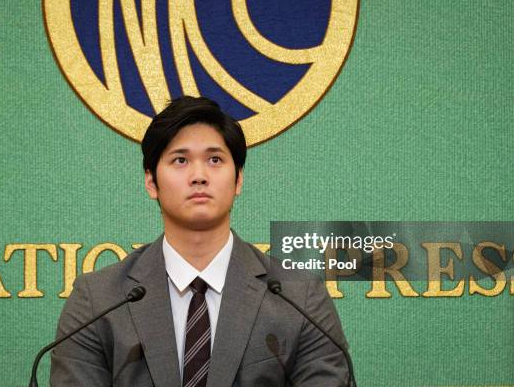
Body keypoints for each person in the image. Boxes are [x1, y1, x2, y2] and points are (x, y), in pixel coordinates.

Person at [50, 96, 351, 386]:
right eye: (180, 160)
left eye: (215, 159)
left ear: (239, 180)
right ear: (151, 182)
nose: (199, 175)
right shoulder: (98, 301)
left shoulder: (299, 299)